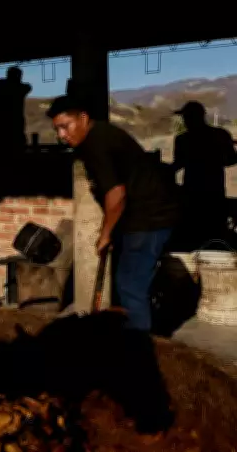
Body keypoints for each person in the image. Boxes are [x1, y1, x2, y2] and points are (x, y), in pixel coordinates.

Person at [47, 95, 179, 331]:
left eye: (65, 127)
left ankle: (138, 349)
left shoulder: (96, 144)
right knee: (131, 283)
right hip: (149, 216)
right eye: (57, 130)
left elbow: (116, 194)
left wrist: (106, 234)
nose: (61, 136)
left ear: (83, 118)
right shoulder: (103, 136)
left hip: (149, 219)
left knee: (130, 286)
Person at [171, 101, 237, 247]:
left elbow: (177, 165)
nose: (185, 121)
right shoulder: (221, 135)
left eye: (187, 117)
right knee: (215, 236)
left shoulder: (183, 140)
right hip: (214, 193)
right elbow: (232, 160)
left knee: (194, 238)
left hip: (192, 196)